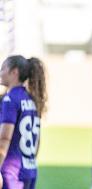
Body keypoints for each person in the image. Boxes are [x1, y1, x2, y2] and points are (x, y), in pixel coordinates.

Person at [0, 55, 47, 189]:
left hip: (11, 172)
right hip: (30, 169)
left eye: (3, 68)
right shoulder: (33, 100)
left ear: (14, 72)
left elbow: (4, 139)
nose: (0, 72)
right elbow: (37, 141)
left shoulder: (10, 99)